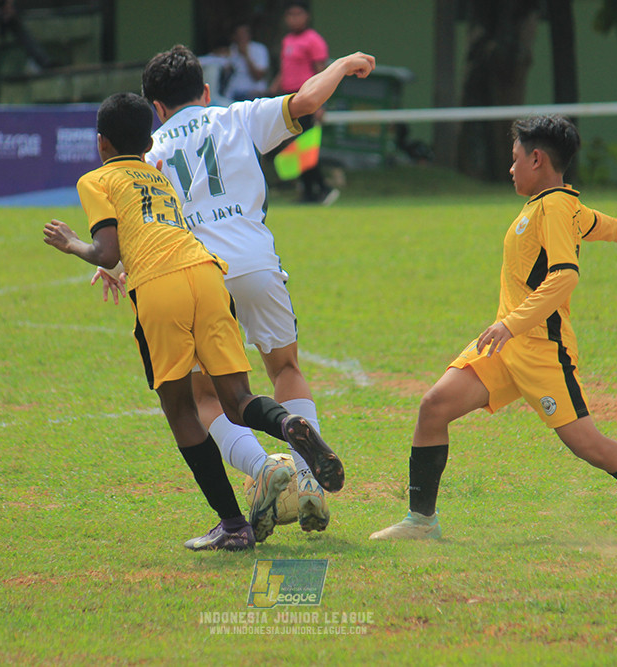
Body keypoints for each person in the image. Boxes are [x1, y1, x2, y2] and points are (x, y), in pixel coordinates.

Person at [370, 115, 617, 543]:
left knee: (590, 446)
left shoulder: (553, 206)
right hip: (504, 347)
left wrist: (510, 323)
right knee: (434, 407)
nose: (511, 168)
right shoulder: (556, 203)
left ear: (537, 159)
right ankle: (421, 521)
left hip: (541, 351)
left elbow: (564, 275)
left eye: (516, 158)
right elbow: (590, 221)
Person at [42, 92, 344, 552]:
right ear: (148, 143)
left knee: (182, 408)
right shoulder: (159, 176)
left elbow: (107, 250)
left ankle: (234, 525)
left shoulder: (95, 179)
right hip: (206, 273)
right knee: (237, 398)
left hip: (159, 286)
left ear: (101, 142)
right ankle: (287, 426)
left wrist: (72, 244)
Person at [96, 45, 373, 542]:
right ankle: (308, 480)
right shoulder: (238, 117)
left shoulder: (148, 153)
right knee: (285, 368)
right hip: (256, 263)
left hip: (196, 273)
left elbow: (137, 227)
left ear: (155, 107)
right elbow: (308, 100)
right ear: (205, 91)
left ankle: (265, 469)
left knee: (206, 395)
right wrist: (342, 64)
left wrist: (112, 265)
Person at [270, 1, 337, 204]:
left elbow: (321, 73)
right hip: (289, 97)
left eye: (298, 14)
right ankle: (309, 191)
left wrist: (321, 103)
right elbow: (286, 69)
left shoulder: (313, 40)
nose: (294, 19)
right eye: (290, 15)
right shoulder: (287, 40)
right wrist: (275, 88)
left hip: (306, 98)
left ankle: (322, 188)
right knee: (296, 146)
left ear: (306, 16)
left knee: (305, 146)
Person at [225, 22, 270, 101]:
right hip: (234, 94)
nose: (241, 37)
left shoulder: (259, 49)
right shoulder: (231, 50)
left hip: (254, 93)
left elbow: (258, 76)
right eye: (238, 35)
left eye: (244, 34)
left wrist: (246, 56)